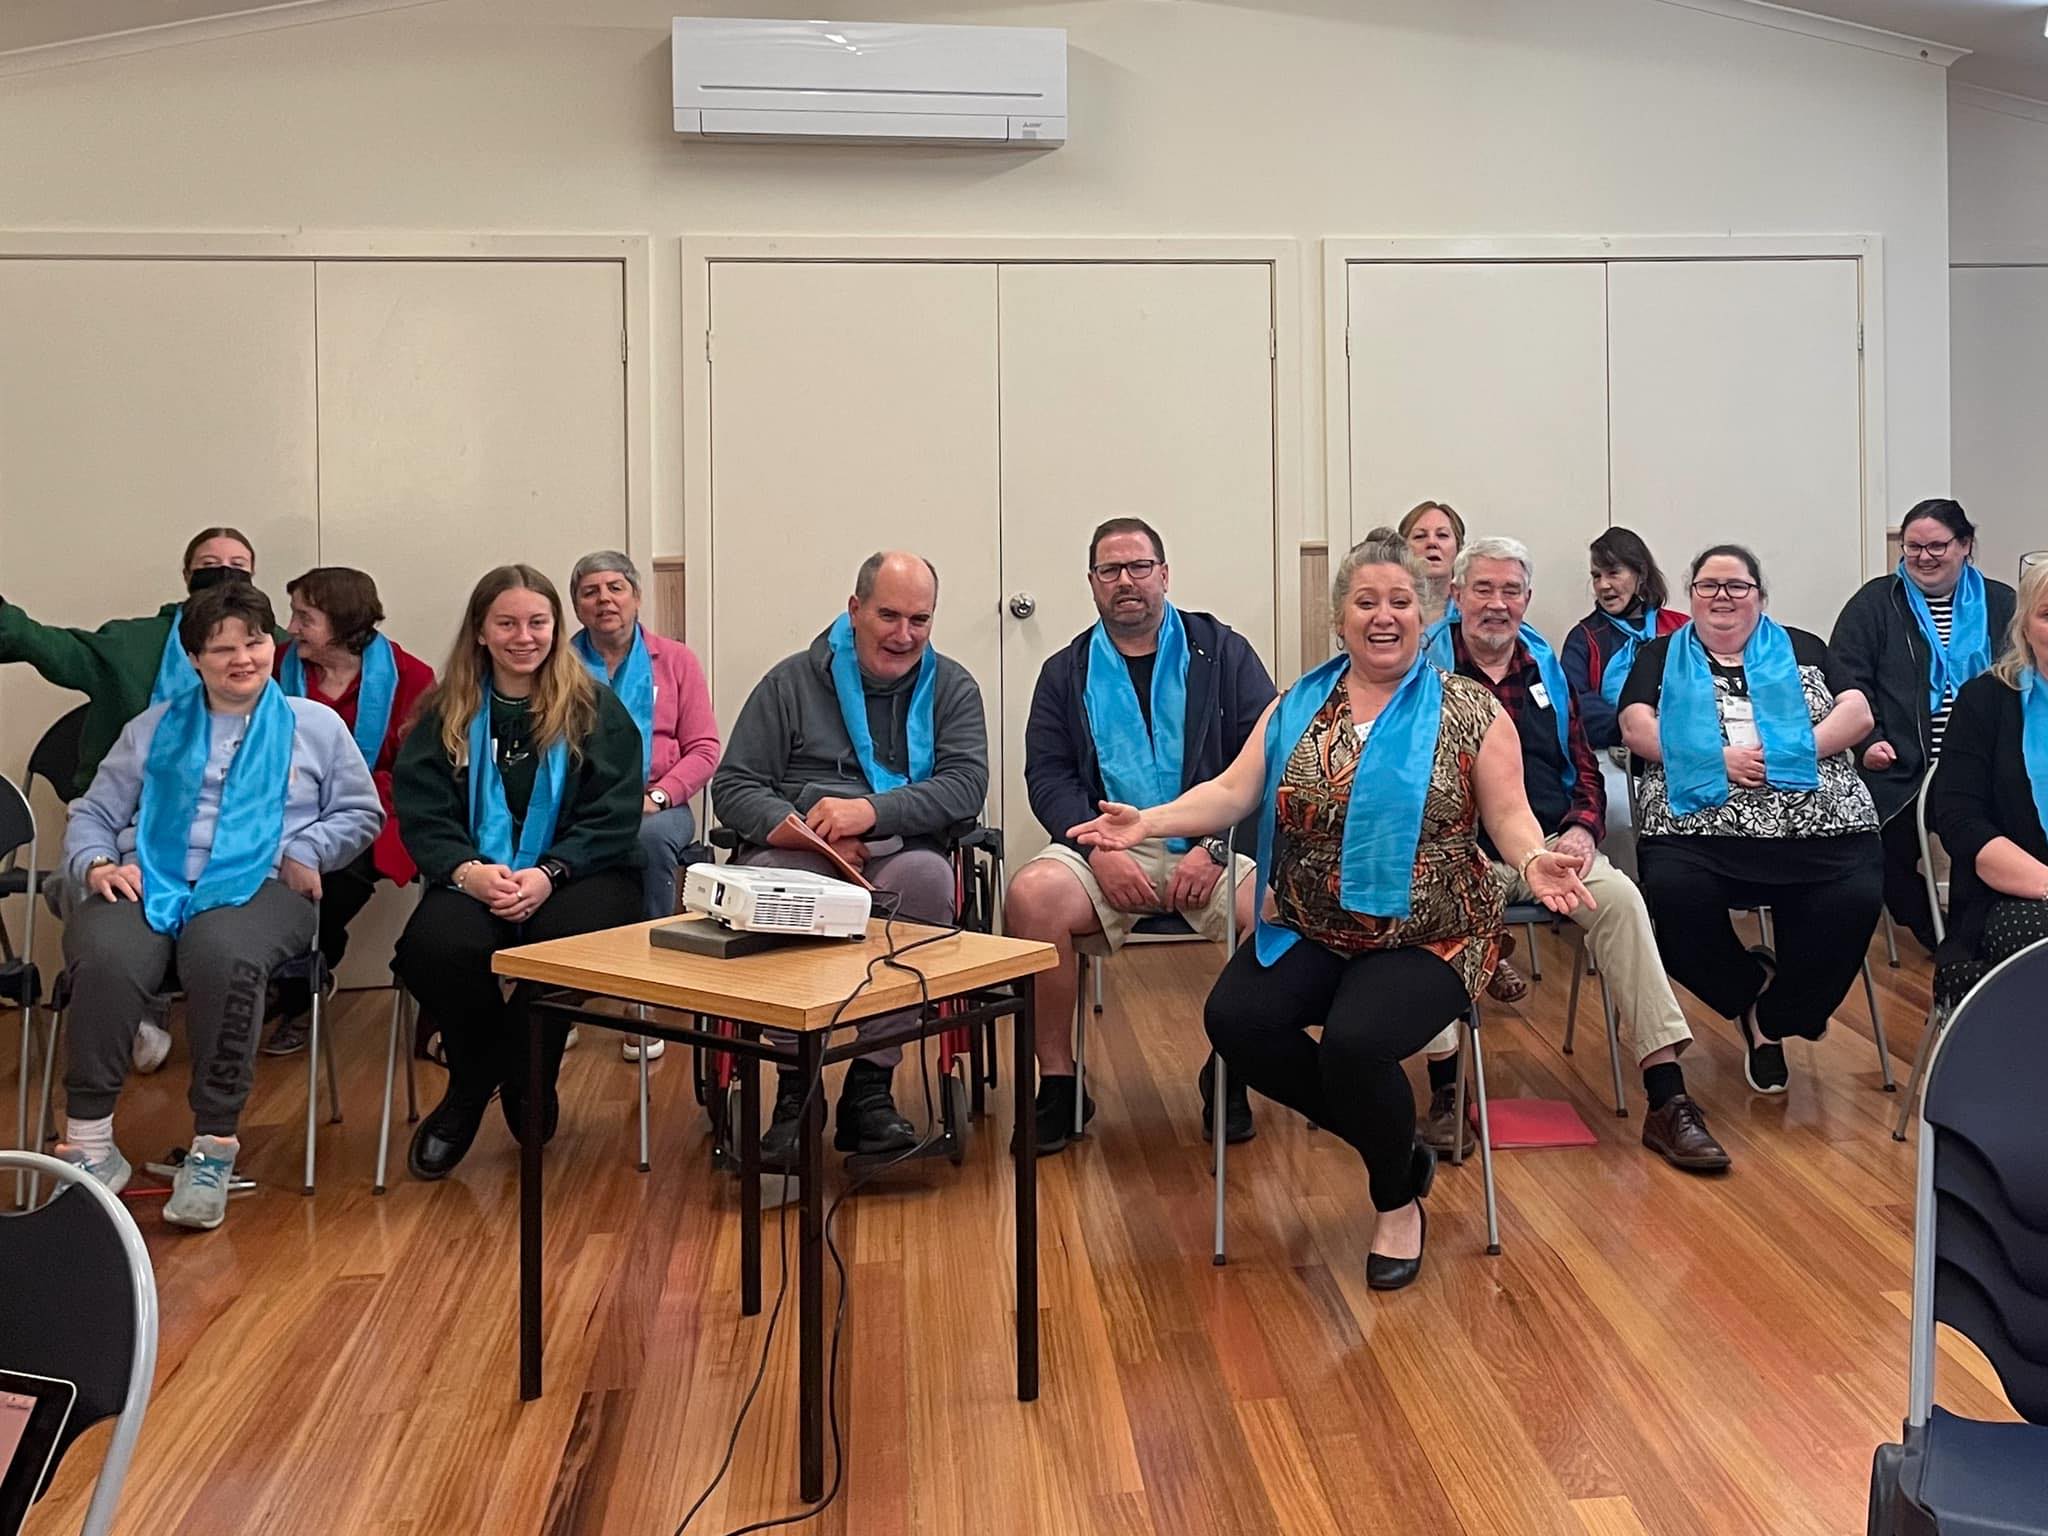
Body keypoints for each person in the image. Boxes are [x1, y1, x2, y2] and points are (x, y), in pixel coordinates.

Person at [1071, 537, 1593, 1291]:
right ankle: (1399, 1153)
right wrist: (1146, 823)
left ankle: (1394, 1203)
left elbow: (1509, 813)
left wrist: (1533, 857)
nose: (1384, 618)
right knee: (1237, 1022)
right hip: (1314, 924)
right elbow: (1230, 791)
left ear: (1429, 613)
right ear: (1339, 618)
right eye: (1366, 603)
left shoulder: (1471, 710)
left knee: (1354, 1046)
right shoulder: (1298, 706)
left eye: (1401, 603)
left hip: (1433, 933)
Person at [51, 582, 382, 1229]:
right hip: (152, 876)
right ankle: (90, 1146)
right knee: (106, 953)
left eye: (254, 641)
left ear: (273, 645)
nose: (241, 658)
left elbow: (360, 811)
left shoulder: (315, 726)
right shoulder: (152, 728)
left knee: (222, 950)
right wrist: (96, 864)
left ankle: (213, 1147)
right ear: (195, 657)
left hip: (264, 884)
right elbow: (93, 811)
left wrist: (311, 847)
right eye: (221, 648)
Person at [1417, 537, 1726, 1171]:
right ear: (1456, 597)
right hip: (1451, 852)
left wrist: (1584, 829)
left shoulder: (1544, 668)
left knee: (1620, 901)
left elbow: (1583, 764)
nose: (1497, 605)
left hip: (1547, 847)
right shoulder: (1423, 672)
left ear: (1527, 600)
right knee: (1434, 915)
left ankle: (1667, 1099)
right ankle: (1446, 1094)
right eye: (1483, 590)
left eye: (1510, 592)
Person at [1004, 517, 1276, 1153]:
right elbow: (1047, 776)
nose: (1126, 582)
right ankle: (1059, 1082)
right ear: (1093, 584)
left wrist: (1217, 848)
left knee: (1271, 905)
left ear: (1164, 574)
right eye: (1110, 571)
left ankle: (1230, 1070)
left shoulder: (1223, 651)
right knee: (1032, 896)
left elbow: (1270, 758)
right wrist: (1097, 850)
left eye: (1139, 567)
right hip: (1103, 844)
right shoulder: (1064, 671)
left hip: (1213, 844)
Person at [711, 551, 989, 1172]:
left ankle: (870, 1090)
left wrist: (871, 813)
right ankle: (794, 1092)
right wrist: (812, 829)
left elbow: (966, 785)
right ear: (854, 609)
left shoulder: (953, 688)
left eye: (920, 619)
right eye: (889, 615)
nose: (904, 635)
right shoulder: (789, 683)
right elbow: (733, 786)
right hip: (798, 850)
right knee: (784, 891)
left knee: (926, 880)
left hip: (901, 850)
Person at [391, 565, 644, 1181]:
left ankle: (529, 1076)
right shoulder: (445, 710)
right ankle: (478, 1077)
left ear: (557, 629)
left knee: (565, 945)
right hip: (476, 876)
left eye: (537, 622)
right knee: (435, 946)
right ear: (480, 630)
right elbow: (423, 813)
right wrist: (466, 871)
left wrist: (552, 871)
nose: (523, 636)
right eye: (506, 623)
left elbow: (615, 811)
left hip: (582, 874)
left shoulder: (592, 705)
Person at [0, 526, 282, 1074]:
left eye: (237, 562)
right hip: (125, 829)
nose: (222, 569)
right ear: (184, 575)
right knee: (85, 886)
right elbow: (43, 644)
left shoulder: (274, 647)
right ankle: (131, 1016)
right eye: (208, 561)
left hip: (240, 836)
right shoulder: (130, 643)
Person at [1619, 545, 1883, 1097]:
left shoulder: (1804, 646)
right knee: (1671, 896)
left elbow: (1857, 712)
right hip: (1698, 828)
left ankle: (1774, 1019)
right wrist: (1713, 759)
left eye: (1736, 586)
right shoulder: (1659, 654)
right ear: (1690, 596)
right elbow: (1637, 728)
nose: (1722, 596)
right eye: (1708, 585)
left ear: (1760, 596)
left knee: (1856, 896)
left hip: (1819, 823)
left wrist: (1793, 751)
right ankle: (1749, 990)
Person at [261, 566, 437, 1055]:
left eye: (305, 617)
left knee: (334, 874)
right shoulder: (276, 666)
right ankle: (285, 978)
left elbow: (421, 771)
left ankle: (298, 985)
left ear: (344, 624)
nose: (291, 627)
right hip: (287, 802)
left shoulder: (413, 676)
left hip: (380, 805)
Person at [1830, 499, 2017, 954]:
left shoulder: (2002, 602)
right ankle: (1937, 933)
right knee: (1876, 849)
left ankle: (1988, 931)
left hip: (1987, 765)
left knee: (1990, 836)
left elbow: (2022, 673)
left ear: (1965, 545)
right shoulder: (1875, 602)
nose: (1924, 557)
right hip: (1903, 767)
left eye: (1937, 545)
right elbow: (1846, 678)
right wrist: (1868, 741)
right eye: (1913, 547)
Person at [569, 550, 722, 1062]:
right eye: (590, 591)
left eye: (615, 587)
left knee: (648, 842)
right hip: (580, 804)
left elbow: (704, 749)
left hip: (658, 803)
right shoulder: (559, 666)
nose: (604, 600)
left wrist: (658, 796)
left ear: (637, 596)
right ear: (577, 606)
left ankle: (645, 994)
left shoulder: (676, 660)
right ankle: (564, 994)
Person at [1931, 558, 2048, 995]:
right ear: (2025, 627)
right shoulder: (1985, 700)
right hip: (2013, 899)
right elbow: (1961, 822)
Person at [1562, 528, 1690, 879]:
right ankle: (1632, 901)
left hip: (1681, 749)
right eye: (1596, 576)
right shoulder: (1585, 636)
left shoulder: (1682, 628)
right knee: (1618, 817)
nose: (1603, 585)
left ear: (1640, 574)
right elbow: (1575, 701)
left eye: (1613, 573)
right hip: (1615, 753)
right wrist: (1633, 728)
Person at [1397, 500, 1464, 619]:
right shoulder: (1389, 610)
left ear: (1459, 548)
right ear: (1403, 550)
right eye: (1420, 536)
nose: (1432, 542)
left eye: (1442, 535)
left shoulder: (1471, 612)